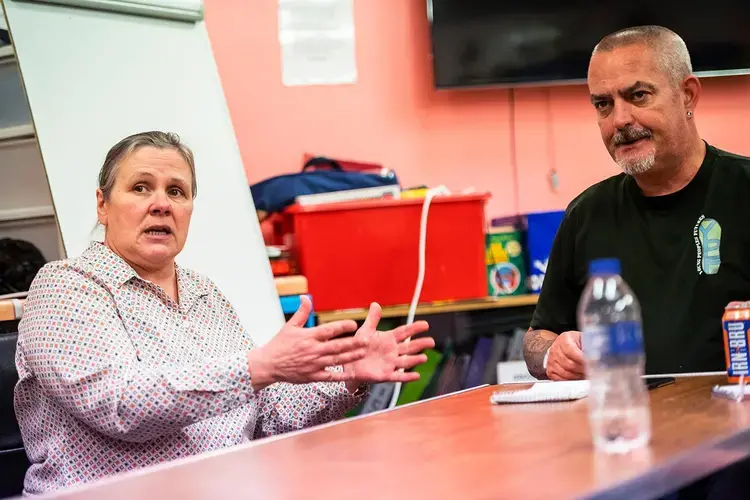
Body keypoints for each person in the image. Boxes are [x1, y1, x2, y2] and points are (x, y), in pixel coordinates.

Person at [14, 131, 435, 495]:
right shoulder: (65, 286)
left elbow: (269, 413)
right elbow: (121, 404)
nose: (161, 204)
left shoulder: (203, 292)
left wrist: (346, 376)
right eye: (141, 187)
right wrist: (257, 367)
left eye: (176, 191)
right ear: (103, 206)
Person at [523, 25, 750, 382]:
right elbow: (538, 336)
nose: (620, 120)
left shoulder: (743, 190)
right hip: (623, 423)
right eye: (603, 104)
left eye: (639, 96)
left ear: (687, 95)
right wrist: (553, 353)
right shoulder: (586, 213)